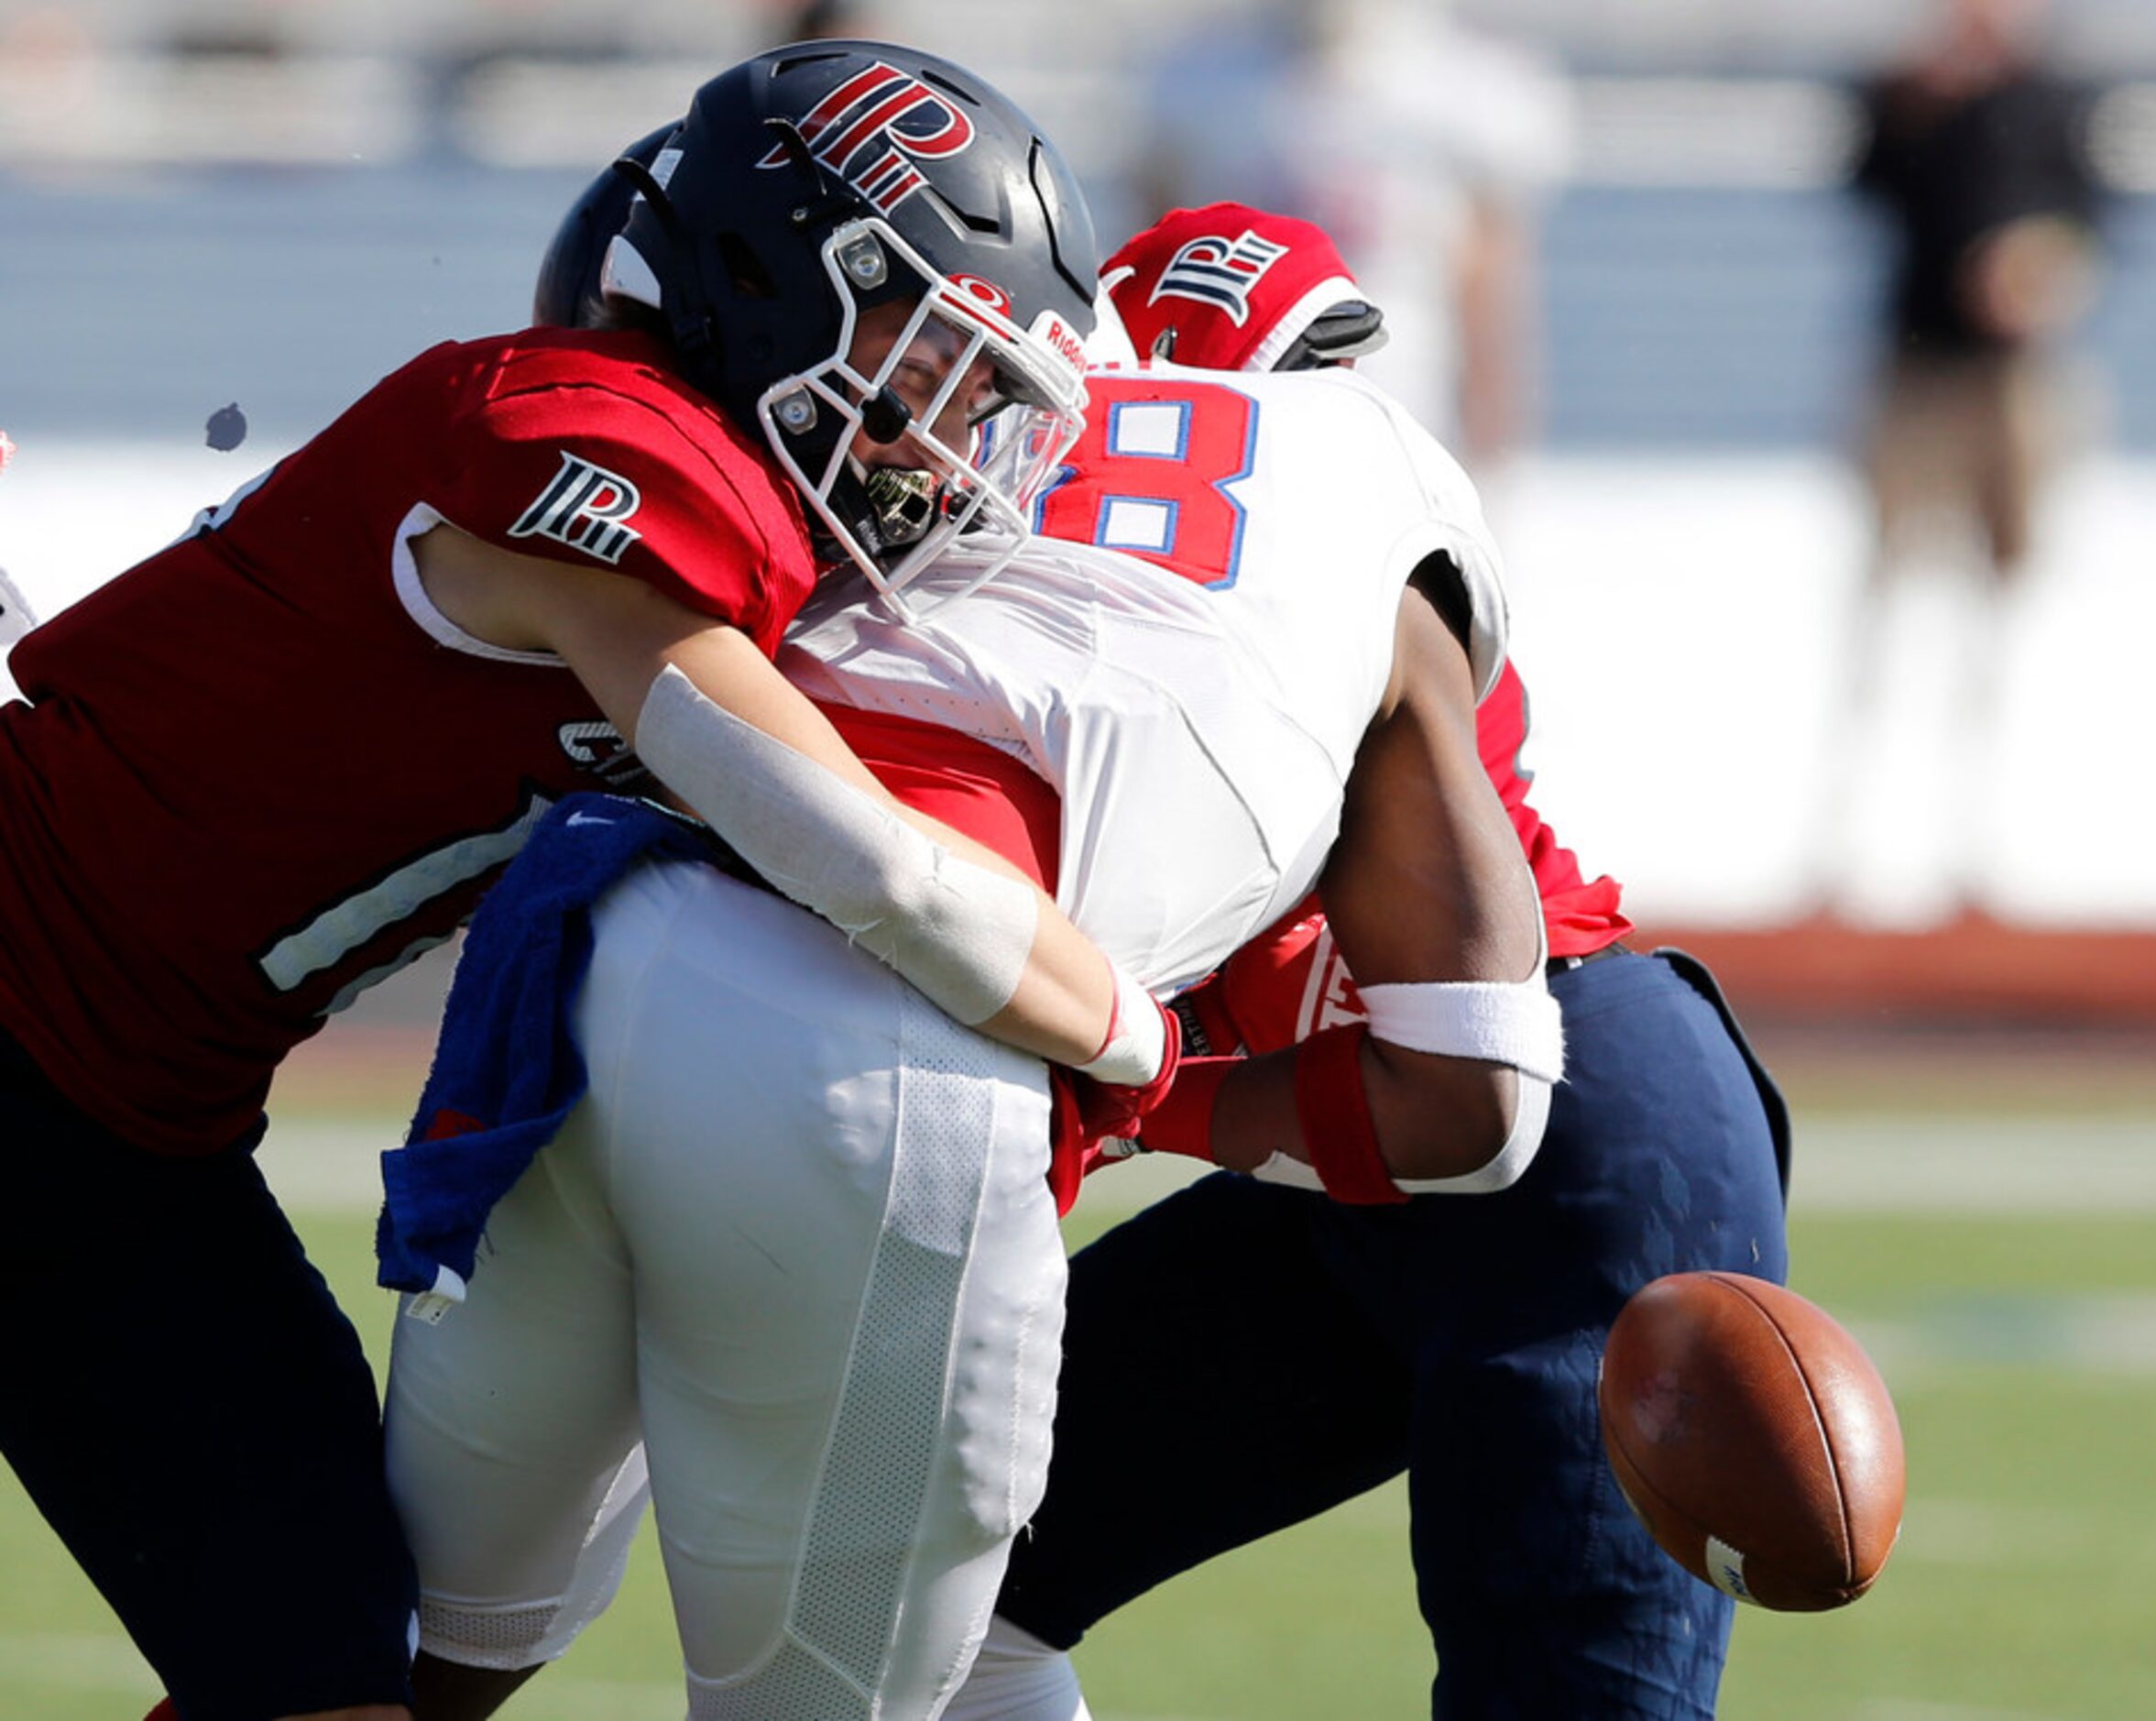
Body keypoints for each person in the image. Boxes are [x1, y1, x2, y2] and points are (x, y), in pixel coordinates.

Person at [0, 41, 1152, 1721]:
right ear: (769, 282)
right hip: (37, 1044)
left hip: (114, 1125)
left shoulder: (645, 474)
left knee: (328, 1671)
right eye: (926, 347)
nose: (948, 426)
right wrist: (1132, 1027)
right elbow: (865, 859)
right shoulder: (584, 452)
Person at [377, 192, 1562, 1717]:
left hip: (599, 949)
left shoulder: (923, 422)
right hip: (886, 1050)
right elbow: (1474, 1088)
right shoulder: (1375, 488)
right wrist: (1144, 1079)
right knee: (852, 1698)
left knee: (394, 1661)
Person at [941, 207, 1794, 1721]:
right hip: (1370, 1152)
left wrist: (1132, 1093)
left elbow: (1464, 1089)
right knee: (934, 1568)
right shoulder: (1181, 594)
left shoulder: (1339, 611)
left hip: (1563, 1123)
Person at [1833, 0, 2109, 914]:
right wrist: (1923, 102)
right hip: (1916, 373)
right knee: (1888, 599)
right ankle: (1848, 841)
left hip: (2016, 381)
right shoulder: (1909, 95)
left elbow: (2095, 223)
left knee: (2006, 601)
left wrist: (2037, 272)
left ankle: (1982, 846)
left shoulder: (2058, 101)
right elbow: (1862, 183)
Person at [1130, 0, 1571, 471]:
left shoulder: (1472, 89)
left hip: (1408, 416)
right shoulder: (1203, 80)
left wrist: (1490, 454)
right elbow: (1154, 282)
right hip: (1240, 417)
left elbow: (1486, 301)